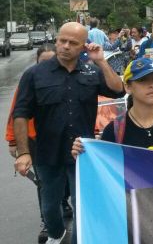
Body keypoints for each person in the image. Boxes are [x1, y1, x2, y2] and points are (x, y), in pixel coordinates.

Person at [13, 22, 125, 244]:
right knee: (50, 207)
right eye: (62, 41)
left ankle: (78, 240)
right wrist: (23, 153)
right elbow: (20, 114)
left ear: (83, 46)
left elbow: (117, 90)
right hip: (47, 154)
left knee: (83, 206)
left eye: (73, 43)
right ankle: (57, 235)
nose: (65, 46)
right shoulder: (34, 74)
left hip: (82, 154)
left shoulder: (92, 71)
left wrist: (101, 61)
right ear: (56, 41)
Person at [4, 44, 62, 243]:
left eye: (51, 61)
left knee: (66, 180)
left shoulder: (67, 77)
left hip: (63, 139)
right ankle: (47, 221)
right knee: (44, 183)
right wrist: (14, 141)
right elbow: (16, 111)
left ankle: (63, 204)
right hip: (35, 140)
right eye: (42, 61)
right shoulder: (30, 79)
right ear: (37, 62)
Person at [72, 58, 153, 152]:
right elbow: (104, 172)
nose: (152, 85)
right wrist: (84, 153)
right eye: (143, 80)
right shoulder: (113, 131)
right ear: (128, 87)